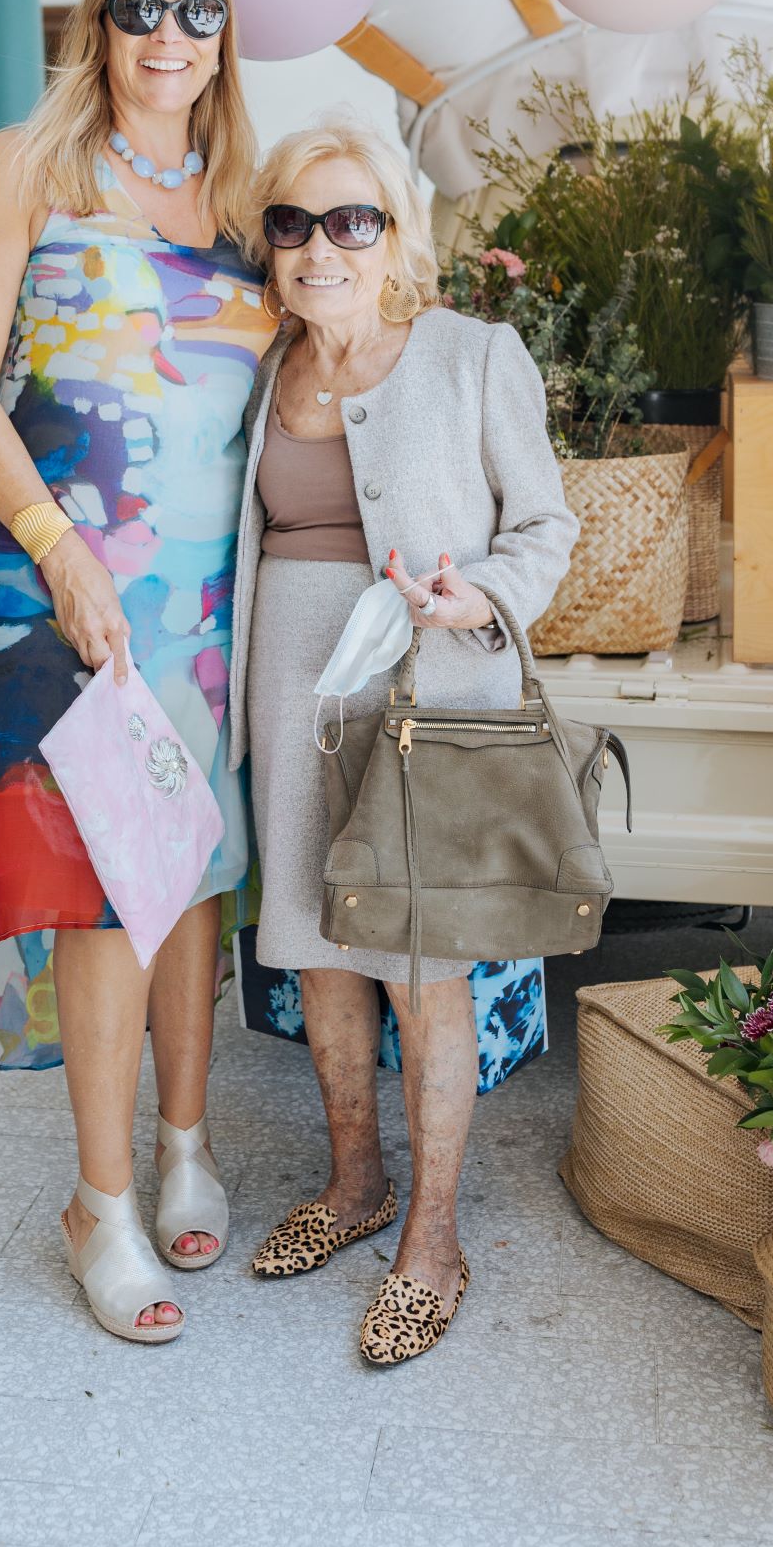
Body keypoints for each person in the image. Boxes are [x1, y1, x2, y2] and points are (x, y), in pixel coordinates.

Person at [0, 0, 272, 1345]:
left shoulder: (251, 194)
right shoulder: (25, 166)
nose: (169, 36)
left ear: (223, 32)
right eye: (142, 7)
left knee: (193, 868)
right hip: (64, 586)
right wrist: (62, 552)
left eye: (198, 10)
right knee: (95, 886)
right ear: (100, 19)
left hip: (211, 599)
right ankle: (101, 1202)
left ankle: (189, 1143)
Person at [231, 120, 576, 1364]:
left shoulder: (473, 354)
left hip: (425, 693)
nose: (320, 247)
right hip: (290, 690)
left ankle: (432, 1239)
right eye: (293, 223)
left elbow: (546, 529)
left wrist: (479, 596)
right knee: (319, 950)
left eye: (351, 221)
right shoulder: (262, 364)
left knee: (421, 971)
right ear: (268, 245)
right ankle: (352, 1185)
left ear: (395, 237)